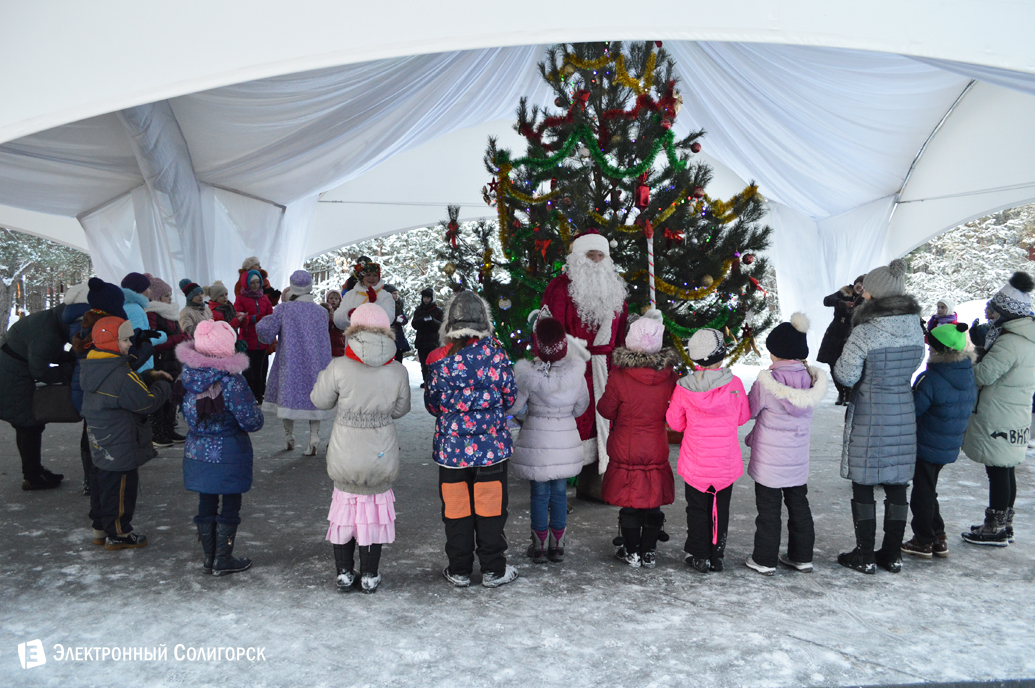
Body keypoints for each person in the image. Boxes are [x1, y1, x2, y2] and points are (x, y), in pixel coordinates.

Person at [310, 303, 411, 594]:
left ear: (352, 331)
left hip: (345, 451)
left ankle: (343, 573)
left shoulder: (339, 366)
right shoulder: (398, 370)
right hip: (381, 451)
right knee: (373, 514)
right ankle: (369, 574)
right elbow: (402, 409)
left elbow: (320, 400)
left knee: (344, 512)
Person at [833, 259, 925, 574]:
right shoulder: (915, 325)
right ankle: (892, 554)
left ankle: (864, 553)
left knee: (864, 480)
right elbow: (914, 364)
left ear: (874, 294)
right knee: (897, 482)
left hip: (870, 412)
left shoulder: (866, 332)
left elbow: (846, 376)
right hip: (903, 410)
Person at [425, 291, 518, 589]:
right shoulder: (498, 355)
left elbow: (433, 405)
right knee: (490, 510)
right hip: (490, 451)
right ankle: (493, 570)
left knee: (456, 511)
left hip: (452, 452)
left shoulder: (438, 359)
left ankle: (460, 569)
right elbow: (510, 398)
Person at [541, 229, 629, 499]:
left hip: (606, 371)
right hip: (572, 367)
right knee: (568, 428)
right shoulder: (559, 287)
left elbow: (623, 334)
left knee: (604, 425)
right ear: (577, 256)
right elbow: (547, 329)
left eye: (600, 254)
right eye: (589, 254)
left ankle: (595, 485)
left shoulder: (616, 288)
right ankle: (557, 492)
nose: (595, 258)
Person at [174, 319, 264, 575]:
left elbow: (186, 413)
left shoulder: (188, 377)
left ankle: (209, 557)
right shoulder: (232, 382)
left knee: (207, 500)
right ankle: (223, 558)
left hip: (197, 451)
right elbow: (251, 420)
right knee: (231, 502)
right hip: (229, 451)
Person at [80, 316, 172, 550]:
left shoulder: (95, 366)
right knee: (121, 487)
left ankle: (100, 528)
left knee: (102, 481)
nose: (130, 344)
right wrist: (163, 385)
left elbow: (124, 389)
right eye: (124, 340)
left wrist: (146, 377)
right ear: (111, 342)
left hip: (101, 438)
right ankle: (119, 533)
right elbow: (146, 402)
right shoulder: (121, 374)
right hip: (121, 440)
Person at [744, 313, 826, 576]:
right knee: (799, 505)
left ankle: (765, 559)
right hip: (797, 459)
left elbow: (749, 411)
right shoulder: (811, 381)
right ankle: (801, 557)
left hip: (769, 461)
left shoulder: (766, 383)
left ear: (775, 353)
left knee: (768, 510)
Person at [597, 310, 678, 569]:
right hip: (655, 444)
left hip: (626, 446)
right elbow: (673, 412)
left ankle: (631, 551)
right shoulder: (669, 376)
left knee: (630, 501)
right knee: (652, 500)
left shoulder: (620, 375)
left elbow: (606, 410)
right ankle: (649, 552)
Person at [666, 328, 750, 573]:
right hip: (725, 461)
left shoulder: (683, 387)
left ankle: (700, 554)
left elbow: (675, 423)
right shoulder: (734, 384)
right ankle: (717, 555)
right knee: (720, 508)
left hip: (696, 461)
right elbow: (743, 417)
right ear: (721, 355)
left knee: (697, 508)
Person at [508, 314, 590, 564]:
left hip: (536, 444)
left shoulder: (527, 375)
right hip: (565, 443)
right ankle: (558, 546)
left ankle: (539, 545)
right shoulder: (576, 375)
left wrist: (527, 414)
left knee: (539, 494)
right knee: (559, 494)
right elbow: (581, 407)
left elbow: (514, 408)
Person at [961, 272, 1035, 546]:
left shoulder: (1009, 342)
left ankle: (995, 528)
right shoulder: (1025, 337)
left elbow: (983, 375)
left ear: (1006, 311)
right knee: (1006, 468)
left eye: (995, 307)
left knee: (998, 469)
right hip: (1013, 411)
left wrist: (970, 359)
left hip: (999, 412)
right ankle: (1005, 524)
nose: (991, 313)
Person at [900, 323, 976, 558]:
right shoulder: (966, 373)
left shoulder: (931, 379)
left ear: (938, 351)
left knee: (922, 493)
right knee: (929, 488)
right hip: (948, 444)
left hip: (926, 444)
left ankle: (923, 540)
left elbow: (913, 410)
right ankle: (938, 536)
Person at [0, 300, 77, 490]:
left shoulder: (51, 321)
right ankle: (32, 476)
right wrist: (67, 372)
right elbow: (40, 370)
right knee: (28, 425)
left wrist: (67, 359)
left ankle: (34, 470)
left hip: (11, 370)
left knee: (27, 425)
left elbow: (45, 354)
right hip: (12, 376)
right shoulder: (49, 333)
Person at [256, 270, 334, 455]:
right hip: (316, 363)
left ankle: (289, 436)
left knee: (288, 398)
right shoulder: (321, 312)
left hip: (291, 362)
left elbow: (267, 331)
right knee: (316, 399)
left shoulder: (285, 309)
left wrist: (260, 324)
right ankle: (314, 438)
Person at [145, 275, 190, 447]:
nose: (170, 299)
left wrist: (184, 338)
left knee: (172, 397)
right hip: (161, 361)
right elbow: (155, 341)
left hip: (173, 361)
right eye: (166, 296)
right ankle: (157, 433)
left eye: (170, 295)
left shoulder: (171, 313)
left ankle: (169, 428)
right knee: (161, 397)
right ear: (156, 297)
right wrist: (179, 338)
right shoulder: (152, 314)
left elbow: (176, 336)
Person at [817, 275, 865, 405]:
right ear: (855, 283)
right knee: (832, 361)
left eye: (864, 286)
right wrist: (842, 304)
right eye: (859, 284)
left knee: (847, 363)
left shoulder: (866, 299)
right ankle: (841, 392)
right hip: (835, 331)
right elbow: (827, 300)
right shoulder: (844, 292)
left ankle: (848, 392)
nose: (860, 288)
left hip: (851, 333)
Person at [234, 269, 274, 403]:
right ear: (246, 284)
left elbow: (270, 314)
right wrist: (254, 319)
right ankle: (247, 394)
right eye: (253, 283)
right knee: (248, 369)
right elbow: (238, 315)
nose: (256, 285)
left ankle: (258, 394)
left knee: (259, 368)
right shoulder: (240, 299)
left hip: (261, 340)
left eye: (258, 282)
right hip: (247, 339)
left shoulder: (264, 298)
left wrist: (267, 321)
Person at [121, 272, 167, 372]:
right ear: (139, 291)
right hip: (142, 365)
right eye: (147, 288)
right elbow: (139, 340)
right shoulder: (134, 309)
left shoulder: (129, 307)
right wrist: (162, 336)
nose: (149, 292)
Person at [334, 258, 394, 332]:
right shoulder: (350, 295)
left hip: (377, 341)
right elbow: (337, 320)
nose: (371, 278)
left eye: (375, 275)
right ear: (362, 278)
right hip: (354, 341)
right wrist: (348, 314)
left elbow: (389, 319)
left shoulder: (386, 296)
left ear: (378, 278)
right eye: (368, 275)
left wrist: (375, 302)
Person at [412, 287, 444, 387]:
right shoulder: (419, 310)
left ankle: (435, 381)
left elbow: (442, 326)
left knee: (434, 363)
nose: (425, 299)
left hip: (434, 342)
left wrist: (432, 321)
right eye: (424, 297)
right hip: (421, 341)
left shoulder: (438, 311)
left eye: (428, 297)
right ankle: (426, 381)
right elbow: (414, 324)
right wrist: (422, 320)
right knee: (424, 363)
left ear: (432, 298)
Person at [382, 284, 411, 363]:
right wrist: (395, 319)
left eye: (397, 294)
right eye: (394, 294)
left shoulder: (399, 304)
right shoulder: (383, 305)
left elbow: (405, 318)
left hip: (398, 335)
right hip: (387, 334)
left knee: (398, 359)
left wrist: (402, 320)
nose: (396, 296)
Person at [324, 289, 346, 357]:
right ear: (327, 300)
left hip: (340, 345)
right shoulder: (324, 312)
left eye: (336, 298)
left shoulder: (341, 313)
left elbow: (342, 327)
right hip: (328, 346)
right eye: (331, 298)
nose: (334, 300)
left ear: (340, 301)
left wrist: (334, 319)